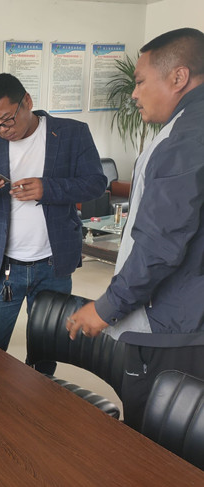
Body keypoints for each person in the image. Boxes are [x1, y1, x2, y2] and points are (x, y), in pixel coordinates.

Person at [67, 28, 204, 431]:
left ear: (178, 77)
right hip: (191, 317)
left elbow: (160, 246)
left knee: (153, 438)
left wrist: (107, 307)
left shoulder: (184, 140)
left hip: (173, 329)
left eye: (141, 81)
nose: (134, 94)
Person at [0, 73, 106, 370]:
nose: (3, 130)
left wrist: (48, 189)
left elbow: (95, 184)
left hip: (53, 263)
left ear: (27, 101)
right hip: (3, 266)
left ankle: (41, 392)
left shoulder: (71, 133)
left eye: (7, 120)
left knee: (46, 348)